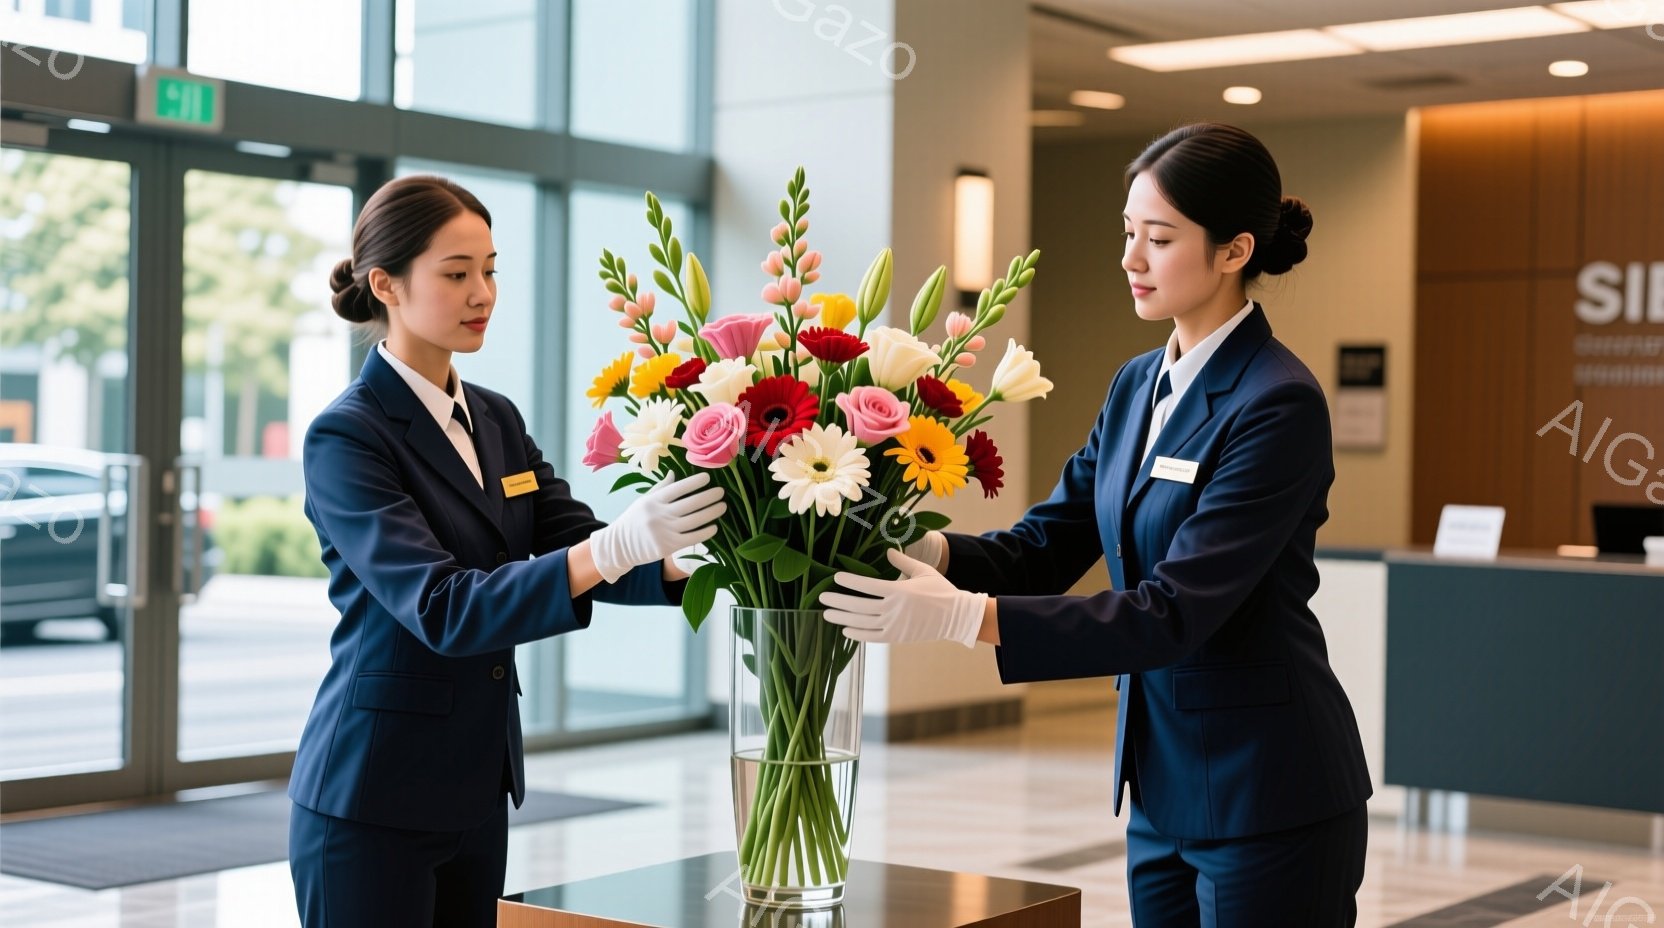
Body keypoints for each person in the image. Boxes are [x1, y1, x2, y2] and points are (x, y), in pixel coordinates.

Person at [821, 123, 1372, 926]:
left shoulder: (1275, 402)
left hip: (1268, 797)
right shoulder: (1137, 385)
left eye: (1159, 238)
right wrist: (919, 544)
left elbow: (1174, 611)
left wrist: (962, 618)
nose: (1130, 259)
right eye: (1127, 233)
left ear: (1233, 250)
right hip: (1159, 790)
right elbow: (1044, 547)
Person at [288, 174, 725, 927]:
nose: (482, 292)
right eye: (456, 274)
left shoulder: (493, 416)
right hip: (371, 799)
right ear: (386, 285)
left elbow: (571, 541)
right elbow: (443, 607)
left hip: (475, 788)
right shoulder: (348, 436)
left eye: (490, 269)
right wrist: (617, 545)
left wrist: (700, 562)